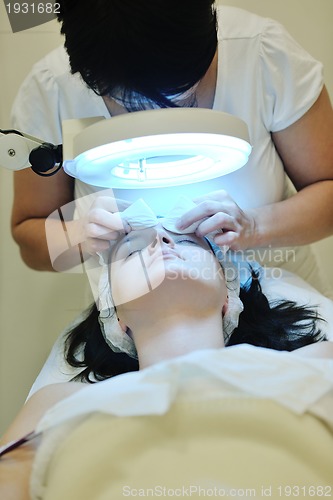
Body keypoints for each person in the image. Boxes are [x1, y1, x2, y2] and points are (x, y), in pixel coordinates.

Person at [10, 1, 333, 297]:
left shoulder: (262, 53)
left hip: (281, 304)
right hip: (139, 324)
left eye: (180, 96)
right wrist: (79, 235)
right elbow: (31, 238)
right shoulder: (51, 88)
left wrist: (255, 226)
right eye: (127, 103)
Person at [1, 225, 333, 499]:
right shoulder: (58, 400)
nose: (162, 240)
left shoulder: (315, 359)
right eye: (131, 252)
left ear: (229, 300)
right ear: (116, 318)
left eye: (189, 241)